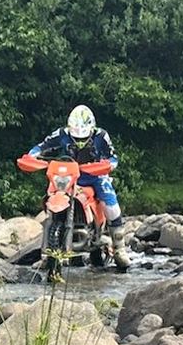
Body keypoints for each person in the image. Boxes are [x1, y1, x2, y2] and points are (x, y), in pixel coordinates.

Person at [22, 104, 128, 270]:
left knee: (111, 205)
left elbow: (113, 157)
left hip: (94, 175)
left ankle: (120, 249)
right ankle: (48, 254)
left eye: (82, 139)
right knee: (52, 198)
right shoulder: (62, 134)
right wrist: (31, 156)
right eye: (76, 139)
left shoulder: (101, 136)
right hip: (68, 174)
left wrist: (108, 165)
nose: (79, 142)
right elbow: (42, 146)